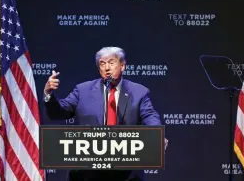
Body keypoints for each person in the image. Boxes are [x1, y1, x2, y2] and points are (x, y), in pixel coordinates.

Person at [44, 46, 167, 181]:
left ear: (122, 66)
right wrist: (49, 94)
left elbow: (150, 116)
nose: (107, 68)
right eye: (102, 64)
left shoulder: (139, 92)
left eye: (111, 62)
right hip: (87, 171)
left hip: (126, 172)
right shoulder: (83, 90)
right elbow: (59, 113)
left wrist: (156, 135)